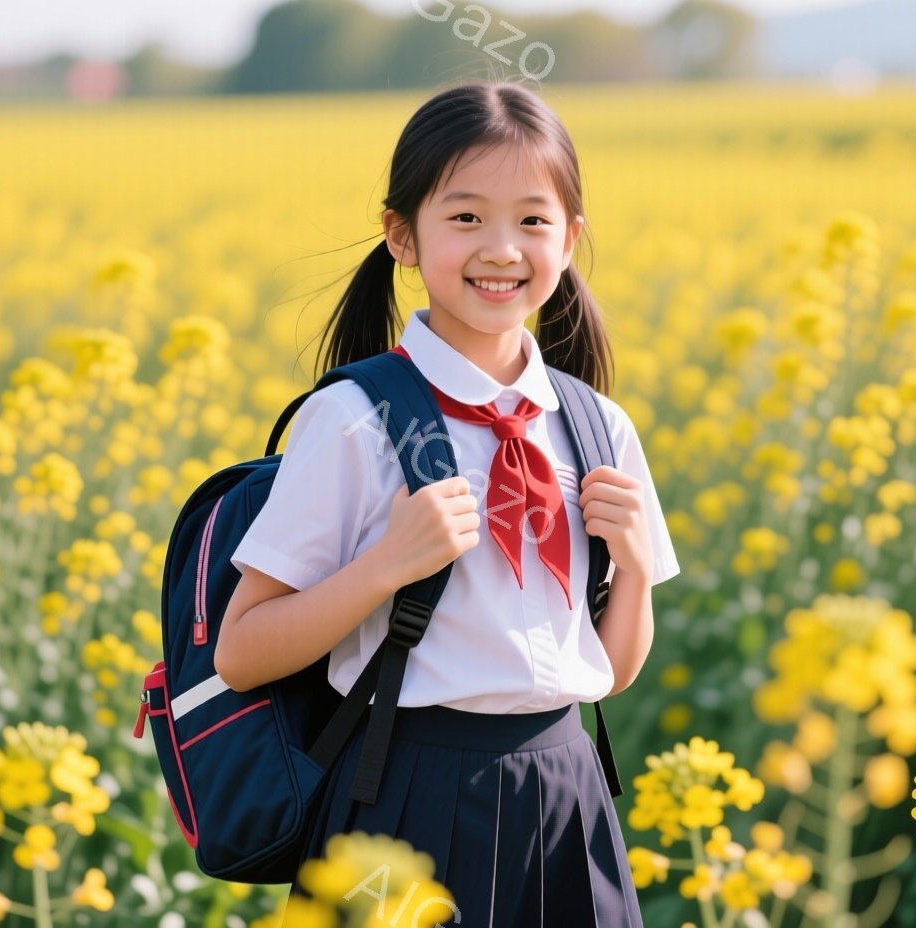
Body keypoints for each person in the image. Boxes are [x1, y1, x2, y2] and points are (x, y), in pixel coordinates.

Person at [213, 78, 681, 927]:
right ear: (403, 236)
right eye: (465, 217)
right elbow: (242, 652)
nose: (501, 248)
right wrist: (386, 567)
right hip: (404, 797)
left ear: (571, 239)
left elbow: (608, 671)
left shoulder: (595, 424)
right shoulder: (353, 420)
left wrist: (638, 574)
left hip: (567, 793)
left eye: (533, 221)